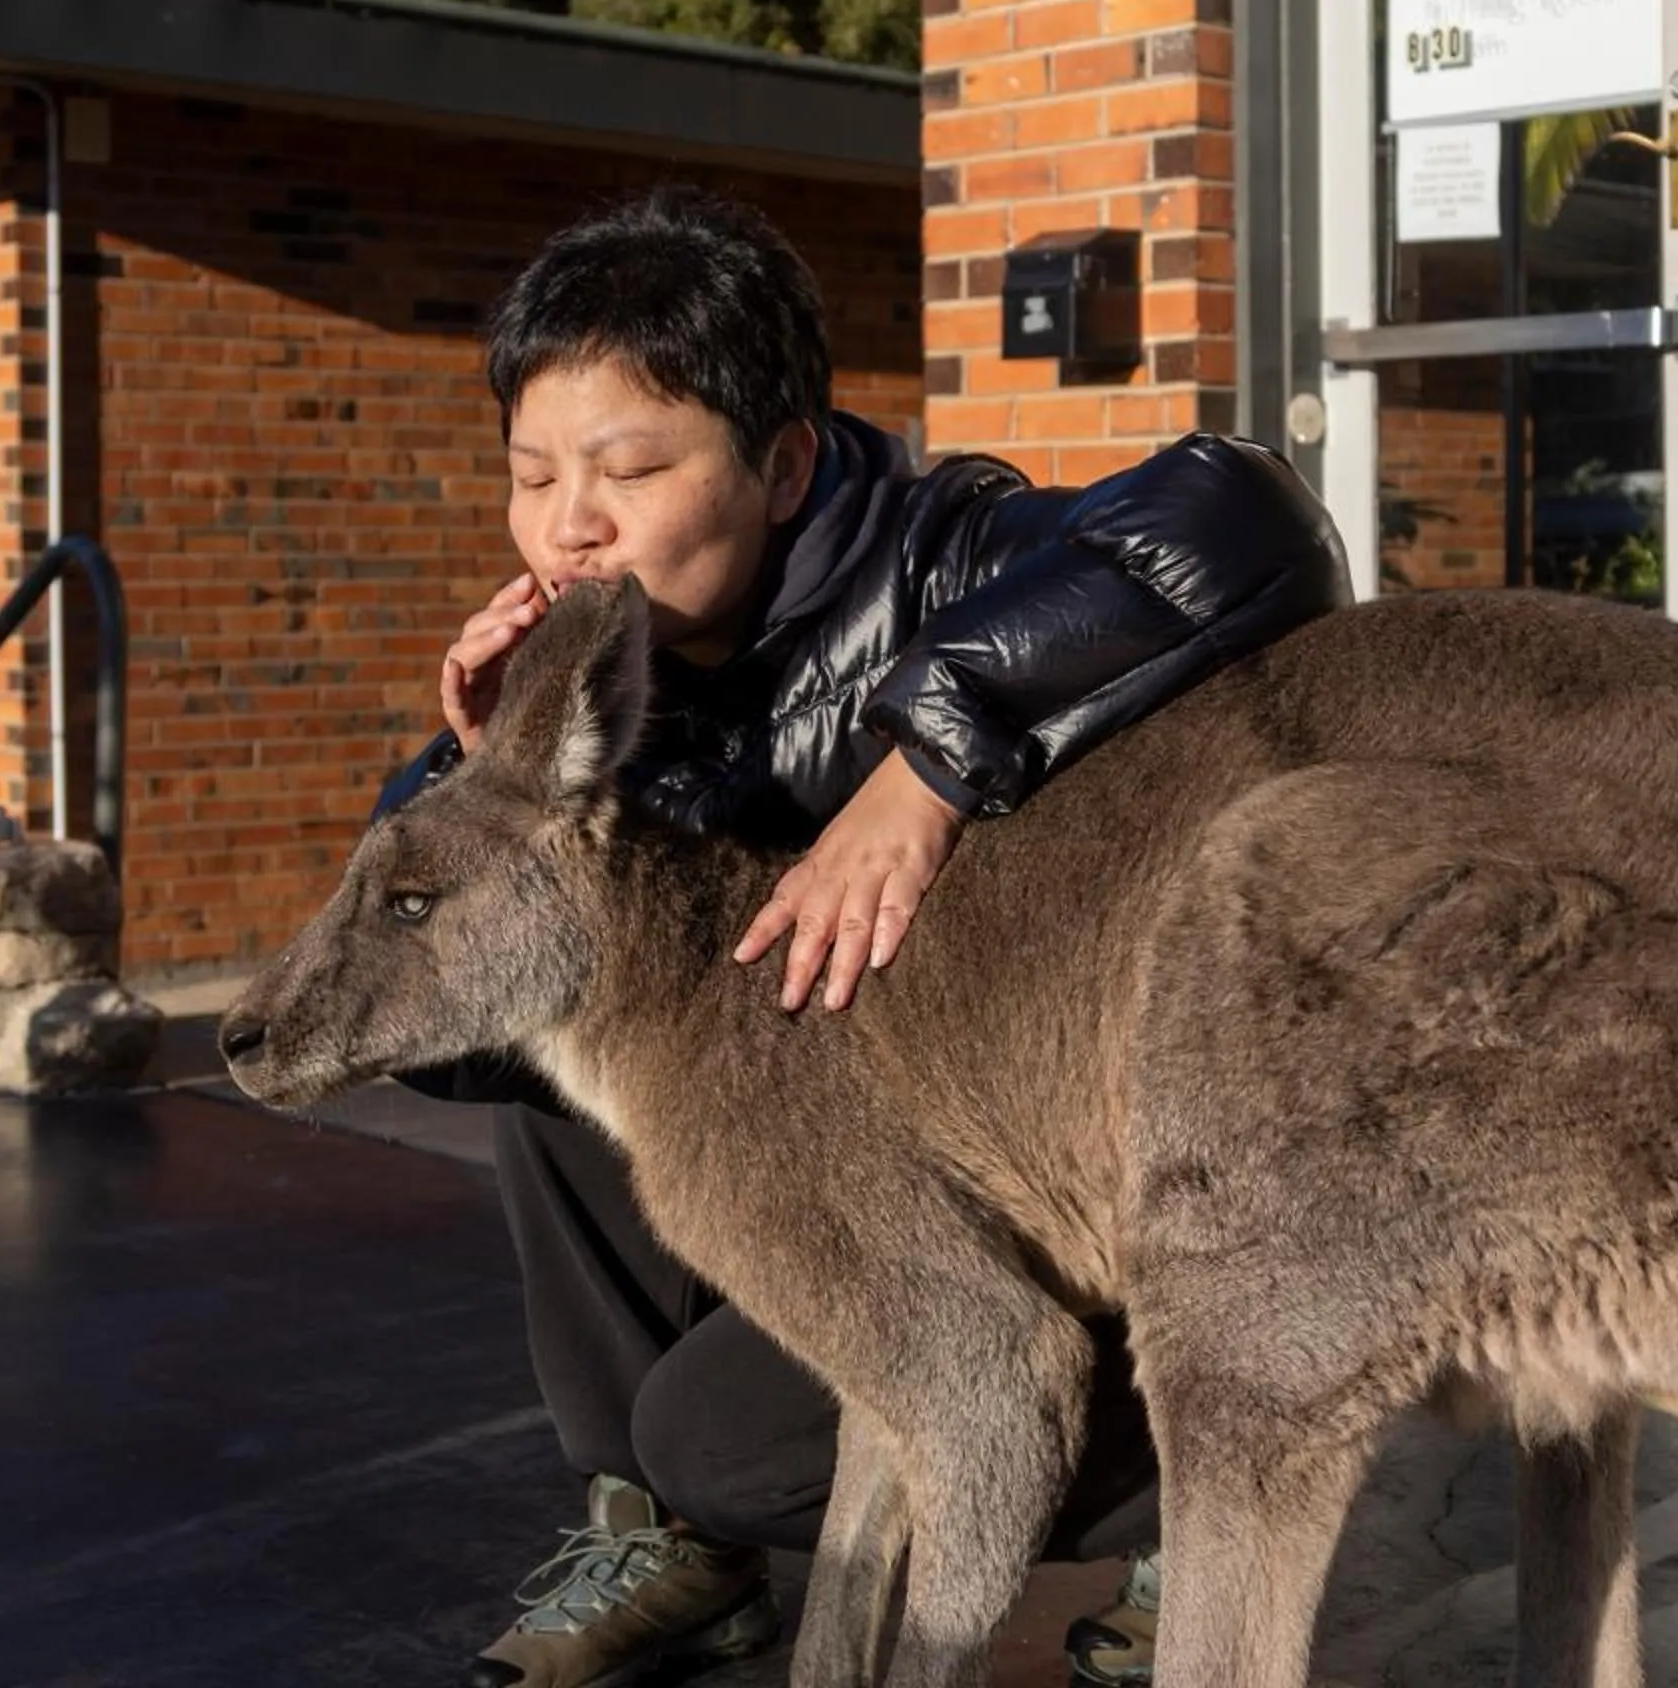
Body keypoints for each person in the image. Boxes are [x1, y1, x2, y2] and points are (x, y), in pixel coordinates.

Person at [365, 185, 1352, 1688]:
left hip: (1102, 1151)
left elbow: (1250, 513)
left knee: (731, 1446)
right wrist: (479, 778)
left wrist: (929, 765)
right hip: (873, 1146)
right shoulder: (624, 680)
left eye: (631, 467)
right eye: (533, 475)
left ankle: (1214, 1497)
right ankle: (669, 1545)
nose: (571, 522)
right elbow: (443, 1043)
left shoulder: (946, 553)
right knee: (559, 1045)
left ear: (783, 467)